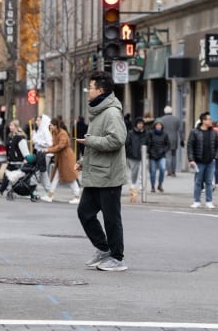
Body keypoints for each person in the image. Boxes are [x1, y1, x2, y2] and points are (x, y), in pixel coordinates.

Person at [74, 71, 128, 272]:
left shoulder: (112, 112)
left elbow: (117, 140)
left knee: (111, 218)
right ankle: (104, 249)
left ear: (101, 90)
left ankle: (117, 257)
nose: (88, 91)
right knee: (85, 213)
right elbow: (96, 141)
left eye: (91, 87)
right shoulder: (99, 111)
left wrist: (89, 141)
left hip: (109, 175)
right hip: (96, 173)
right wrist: (83, 161)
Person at [40, 118, 81, 204]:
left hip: (66, 158)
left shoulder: (62, 133)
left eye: (51, 125)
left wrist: (48, 150)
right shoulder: (55, 133)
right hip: (62, 159)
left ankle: (77, 197)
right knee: (58, 177)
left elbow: (60, 146)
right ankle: (50, 195)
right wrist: (48, 149)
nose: (50, 126)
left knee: (71, 178)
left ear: (55, 126)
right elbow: (55, 145)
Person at [187, 111, 218, 209]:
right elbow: (190, 146)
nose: (211, 121)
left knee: (209, 182)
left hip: (210, 161)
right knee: (198, 181)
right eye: (209, 119)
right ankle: (197, 201)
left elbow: (217, 145)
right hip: (199, 161)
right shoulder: (194, 132)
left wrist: (215, 156)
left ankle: (209, 201)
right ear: (203, 121)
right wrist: (191, 159)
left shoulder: (214, 132)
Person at [0, 119, 30, 197]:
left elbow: (24, 149)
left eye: (11, 125)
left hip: (17, 162)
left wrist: (27, 158)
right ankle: (2, 191)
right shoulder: (10, 137)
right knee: (9, 177)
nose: (10, 127)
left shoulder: (20, 138)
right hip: (11, 161)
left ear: (16, 126)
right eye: (10, 125)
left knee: (12, 177)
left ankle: (2, 191)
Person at [125, 117, 149, 200]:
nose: (140, 125)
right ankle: (133, 184)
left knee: (143, 170)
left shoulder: (146, 133)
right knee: (134, 170)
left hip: (143, 155)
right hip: (133, 155)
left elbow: (149, 142)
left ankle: (142, 185)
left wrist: (147, 151)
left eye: (142, 124)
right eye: (139, 123)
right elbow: (127, 143)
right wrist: (130, 152)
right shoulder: (131, 133)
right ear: (136, 125)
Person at [157, 106, 183, 178]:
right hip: (174, 139)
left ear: (165, 112)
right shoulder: (176, 119)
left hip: (165, 139)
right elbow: (180, 130)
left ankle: (169, 172)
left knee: (168, 156)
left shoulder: (161, 119)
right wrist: (182, 139)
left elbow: (159, 130)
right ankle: (174, 171)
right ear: (171, 112)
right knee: (174, 156)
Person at [147, 121, 170, 193]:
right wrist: (150, 151)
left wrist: (163, 150)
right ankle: (153, 186)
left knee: (162, 169)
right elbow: (148, 143)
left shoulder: (165, 134)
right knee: (153, 171)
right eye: (157, 125)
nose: (158, 126)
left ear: (162, 126)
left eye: (160, 125)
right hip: (152, 155)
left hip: (161, 155)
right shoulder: (151, 134)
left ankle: (160, 184)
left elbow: (168, 145)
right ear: (155, 126)